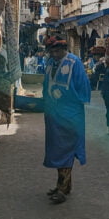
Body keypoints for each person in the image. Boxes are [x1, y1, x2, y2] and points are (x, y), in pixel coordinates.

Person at [42, 34, 91, 204]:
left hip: (70, 115)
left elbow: (83, 88)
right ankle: (64, 185)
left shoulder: (74, 63)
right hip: (53, 115)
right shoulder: (49, 63)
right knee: (57, 149)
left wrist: (69, 102)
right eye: (52, 51)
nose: (55, 54)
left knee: (67, 150)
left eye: (57, 51)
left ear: (64, 49)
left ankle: (62, 189)